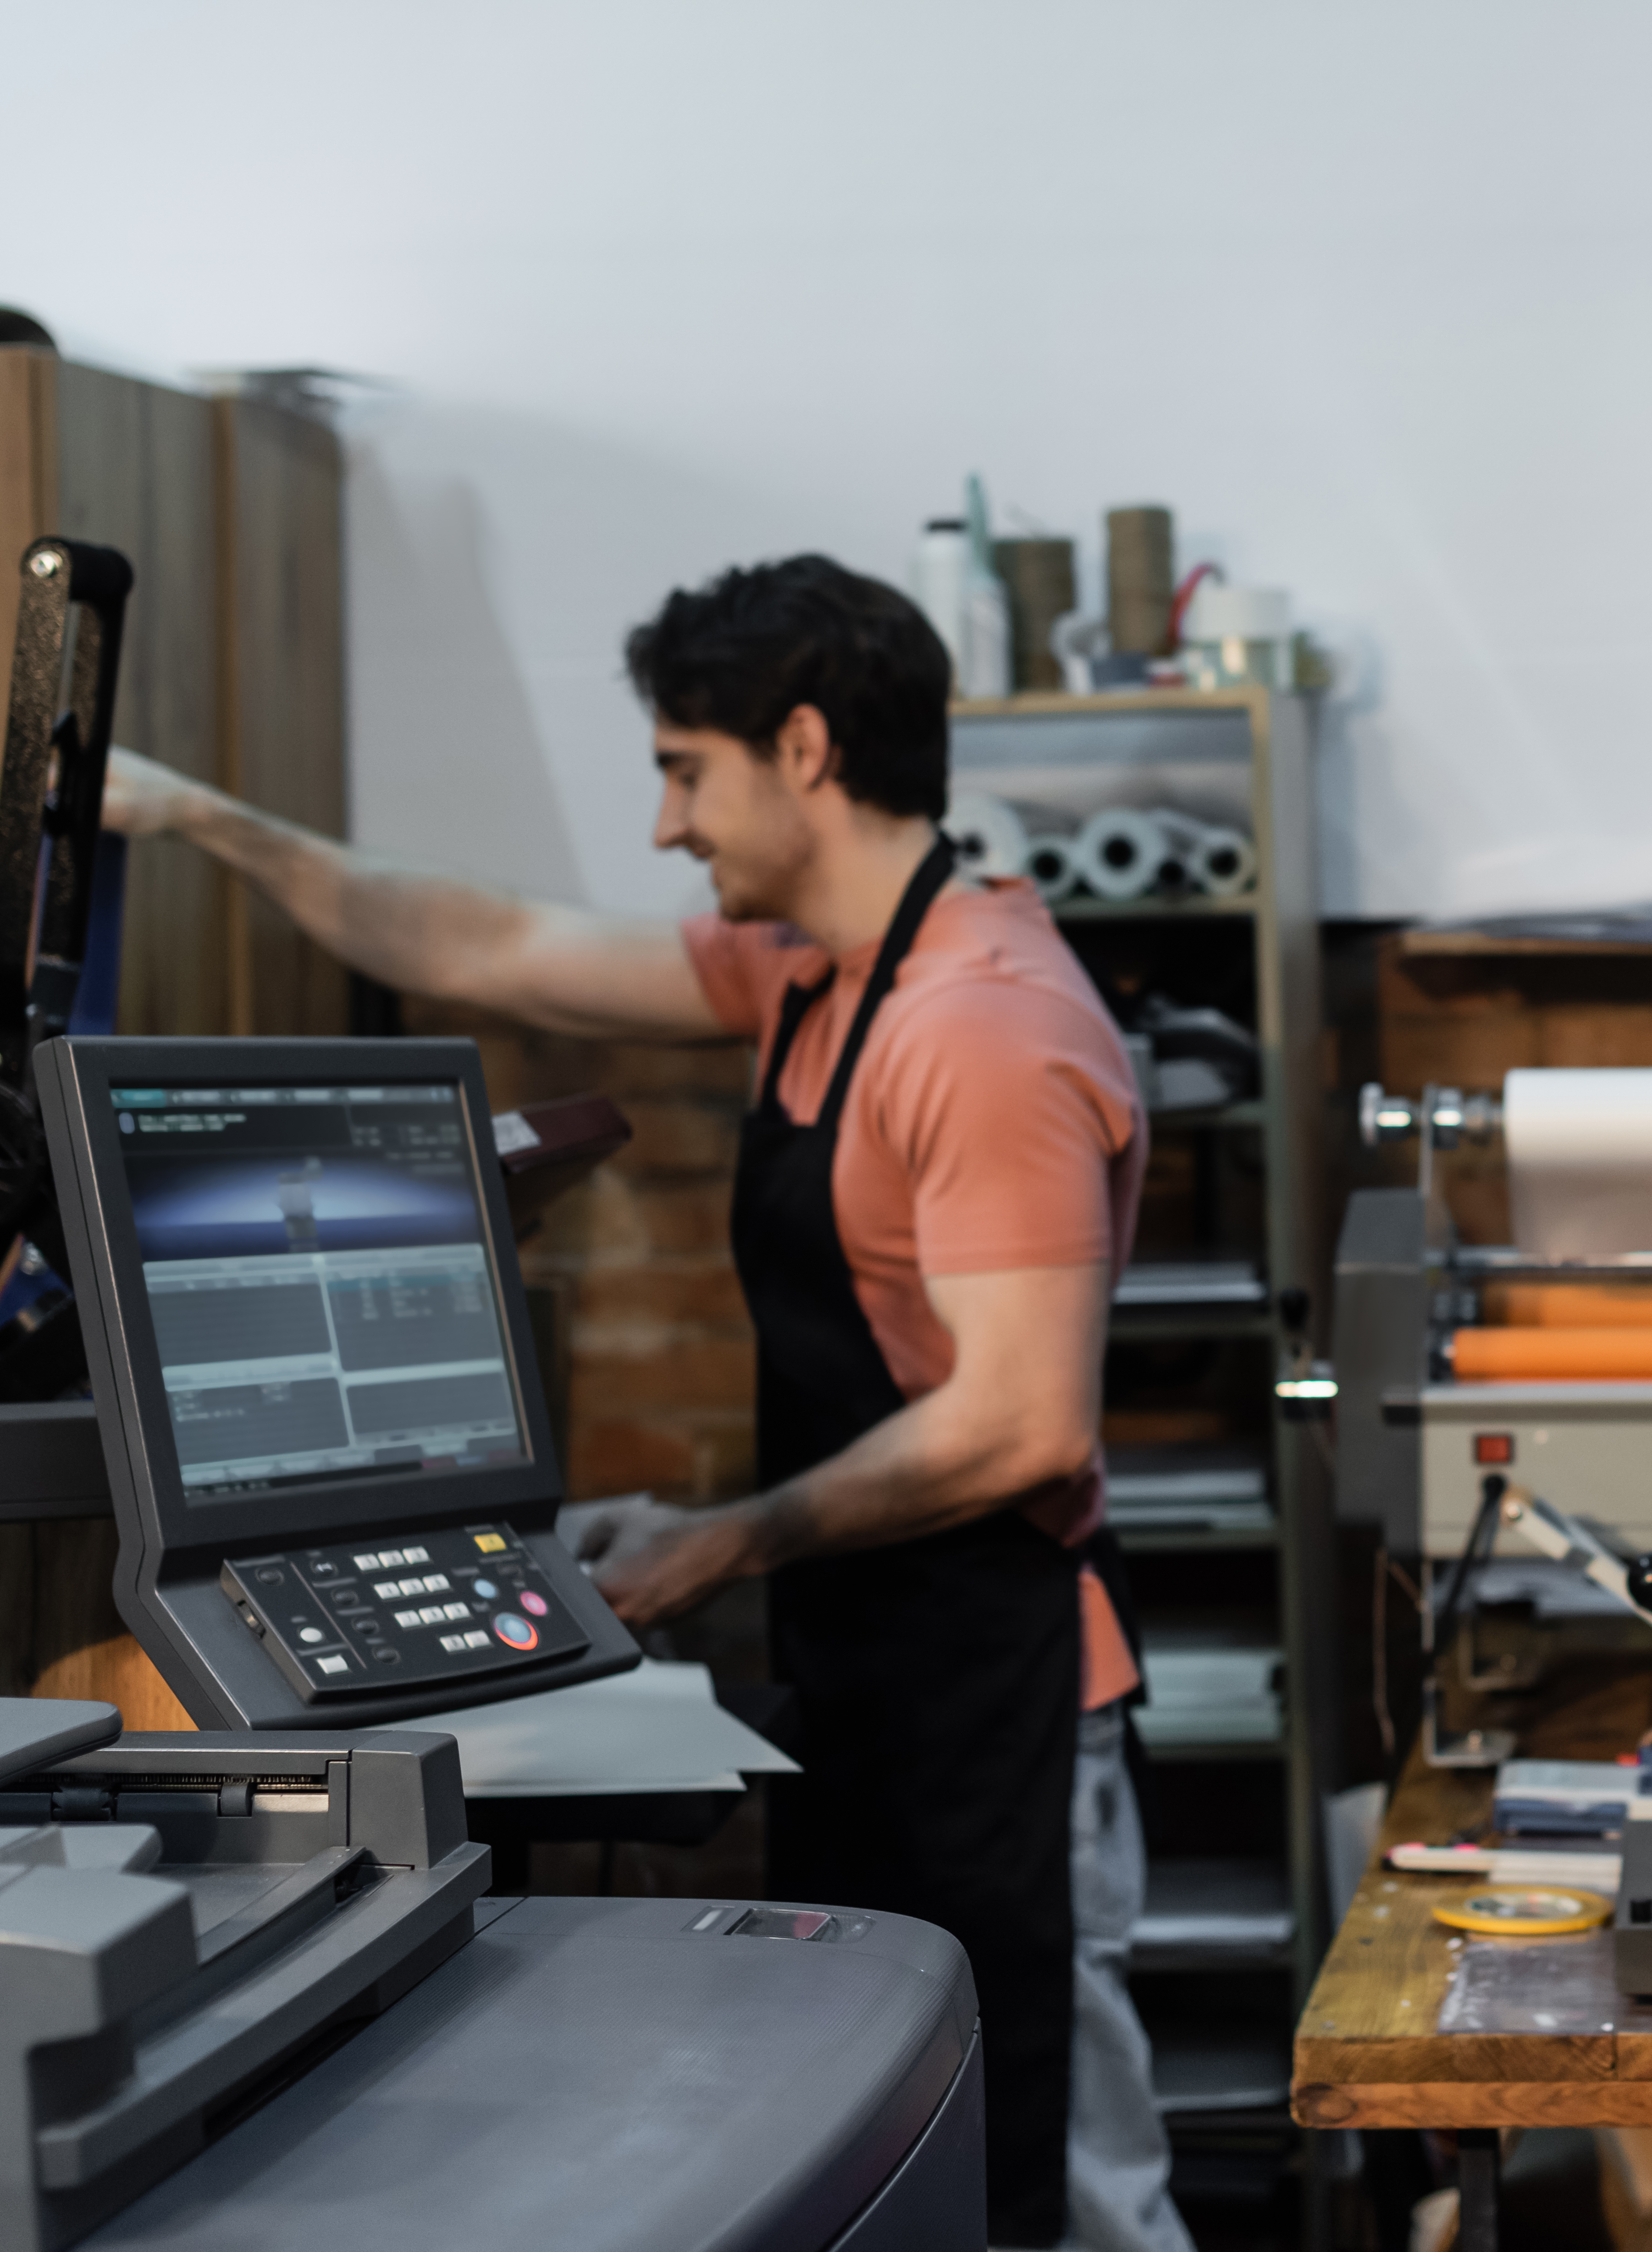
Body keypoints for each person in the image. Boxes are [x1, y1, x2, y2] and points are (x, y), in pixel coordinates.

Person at [104, 555, 1193, 2252]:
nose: (669, 824)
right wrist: (196, 818)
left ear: (805, 750)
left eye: (688, 769)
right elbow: (487, 943)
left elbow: (1020, 1423)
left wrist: (716, 1542)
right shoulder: (817, 973)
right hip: (875, 1655)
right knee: (914, 2149)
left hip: (1004, 1684)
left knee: (1062, 2187)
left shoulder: (983, 1028)